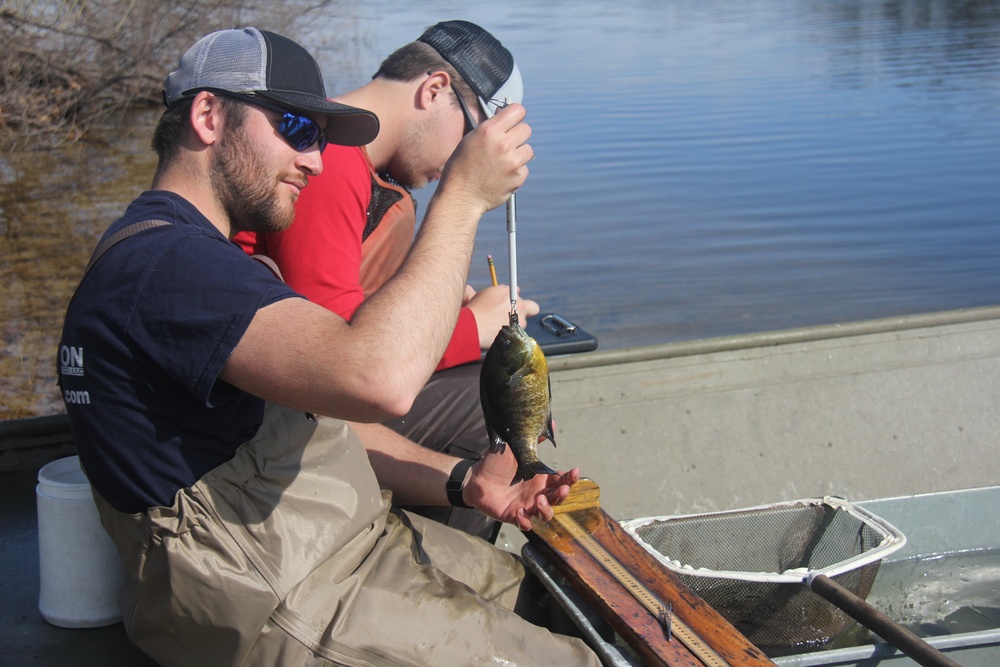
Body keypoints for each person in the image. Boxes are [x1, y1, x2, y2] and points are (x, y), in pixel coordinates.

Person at [56, 27, 599, 667]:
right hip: (277, 597)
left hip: (341, 543)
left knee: (565, 604)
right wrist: (463, 195)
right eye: (295, 128)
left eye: (319, 138)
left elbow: (324, 427)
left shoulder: (200, 261)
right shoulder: (167, 266)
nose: (315, 161)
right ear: (207, 116)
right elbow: (382, 381)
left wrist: (466, 482)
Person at [233, 21, 538, 542]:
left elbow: (326, 305)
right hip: (261, 417)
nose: (459, 163)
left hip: (289, 390)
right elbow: (337, 360)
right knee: (479, 406)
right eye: (470, 141)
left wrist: (442, 305)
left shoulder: (350, 160)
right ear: (434, 89)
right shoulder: (326, 164)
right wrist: (469, 327)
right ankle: (438, 571)